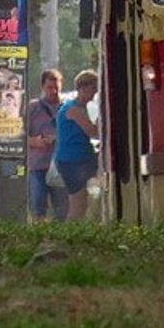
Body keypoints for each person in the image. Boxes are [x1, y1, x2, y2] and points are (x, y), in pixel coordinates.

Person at [55, 69, 101, 221]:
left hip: (80, 157)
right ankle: (71, 233)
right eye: (93, 88)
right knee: (78, 202)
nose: (95, 93)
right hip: (72, 161)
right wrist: (102, 122)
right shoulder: (73, 109)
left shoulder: (80, 107)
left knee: (83, 200)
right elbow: (92, 132)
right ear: (83, 88)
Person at [25, 69, 68, 222]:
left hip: (61, 165)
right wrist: (35, 141)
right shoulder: (33, 108)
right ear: (43, 87)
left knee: (62, 209)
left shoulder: (67, 108)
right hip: (38, 165)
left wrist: (57, 140)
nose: (54, 91)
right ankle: (39, 236)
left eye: (57, 87)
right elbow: (22, 135)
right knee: (38, 206)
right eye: (50, 88)